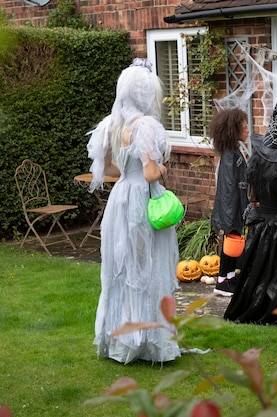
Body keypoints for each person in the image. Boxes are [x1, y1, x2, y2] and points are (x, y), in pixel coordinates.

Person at [87, 58, 180, 364]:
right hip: (142, 199)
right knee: (147, 267)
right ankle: (149, 342)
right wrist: (161, 166)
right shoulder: (147, 125)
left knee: (123, 268)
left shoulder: (114, 125)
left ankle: (121, 341)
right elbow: (151, 172)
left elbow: (111, 167)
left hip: (121, 196)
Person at [223, 103, 277, 325]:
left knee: (256, 267)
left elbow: (251, 197)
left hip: (261, 222)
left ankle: (253, 304)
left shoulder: (256, 164)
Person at [207, 108, 249, 296]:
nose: (247, 129)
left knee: (233, 241)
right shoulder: (230, 155)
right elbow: (228, 186)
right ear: (234, 130)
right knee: (229, 242)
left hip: (236, 205)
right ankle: (222, 280)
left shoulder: (234, 151)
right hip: (231, 206)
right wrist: (230, 214)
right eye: (244, 126)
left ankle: (229, 276)